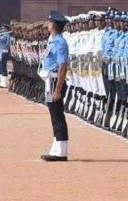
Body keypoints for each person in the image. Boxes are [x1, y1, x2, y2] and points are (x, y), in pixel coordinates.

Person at [40, 10, 70, 162]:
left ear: (54, 25)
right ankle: (56, 147)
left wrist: (58, 89)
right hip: (49, 80)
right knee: (54, 115)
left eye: (49, 22)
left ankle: (61, 151)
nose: (48, 24)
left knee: (57, 115)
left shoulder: (60, 42)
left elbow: (63, 66)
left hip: (54, 81)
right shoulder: (52, 40)